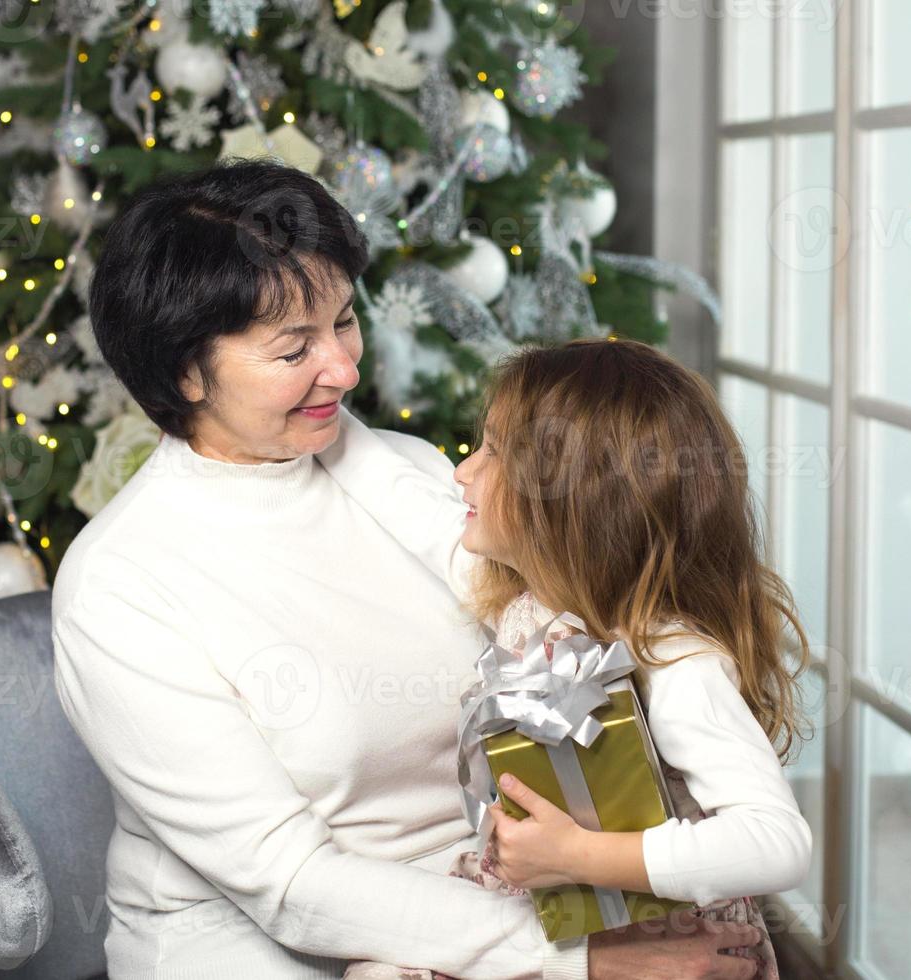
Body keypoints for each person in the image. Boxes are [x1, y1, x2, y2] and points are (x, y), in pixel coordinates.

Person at [52, 158, 767, 979]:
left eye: (345, 323)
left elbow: (573, 646)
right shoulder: (119, 586)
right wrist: (583, 961)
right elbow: (290, 884)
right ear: (184, 372)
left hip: (496, 887)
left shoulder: (414, 472)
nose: (345, 370)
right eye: (295, 350)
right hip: (267, 941)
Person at [318, 338, 816, 979]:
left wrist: (581, 856)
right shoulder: (529, 604)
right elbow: (408, 507)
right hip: (566, 918)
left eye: (494, 451)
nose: (462, 472)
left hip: (670, 948)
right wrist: (323, 407)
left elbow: (777, 843)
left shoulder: (668, 656)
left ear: (573, 497)